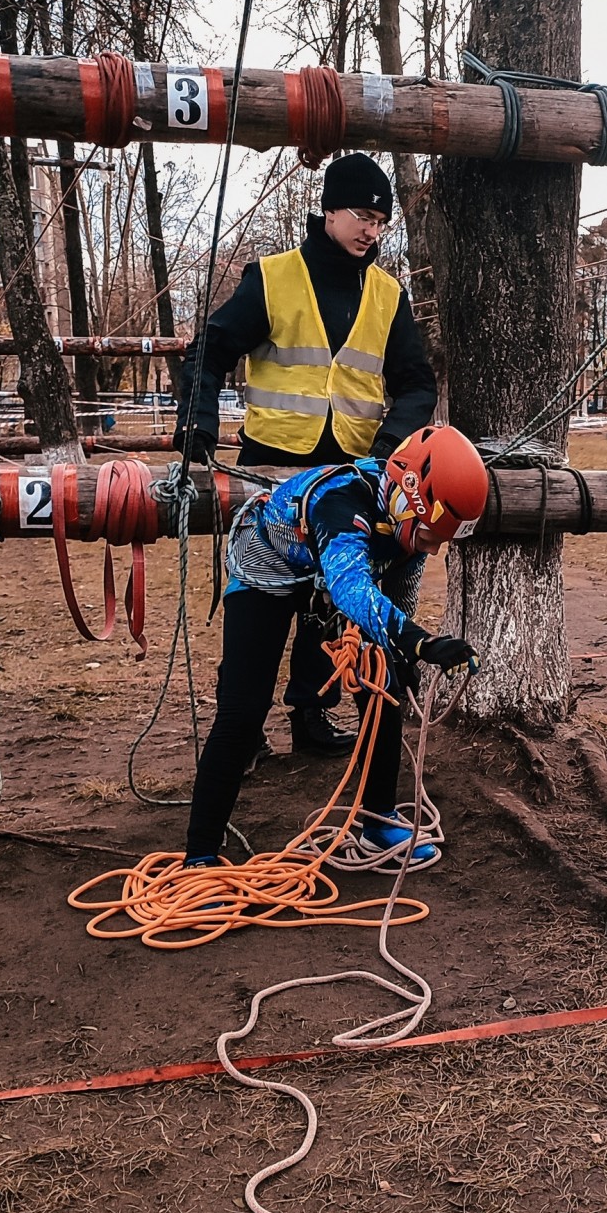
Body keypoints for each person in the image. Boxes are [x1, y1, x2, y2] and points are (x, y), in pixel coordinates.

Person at [174, 153, 438, 758]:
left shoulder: (389, 295)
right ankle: (242, 729)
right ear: (328, 210)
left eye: (381, 220)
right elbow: (210, 350)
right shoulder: (272, 277)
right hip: (270, 471)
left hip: (351, 473)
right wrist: (200, 420)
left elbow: (418, 383)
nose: (371, 230)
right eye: (362, 215)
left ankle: (311, 715)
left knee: (330, 600)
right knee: (267, 601)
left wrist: (383, 451)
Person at [183, 424, 488, 868]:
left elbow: (396, 588)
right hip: (268, 572)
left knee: (383, 684)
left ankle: (379, 821)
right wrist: (420, 642)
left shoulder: (411, 522)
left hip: (332, 580)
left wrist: (404, 652)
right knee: (243, 710)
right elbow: (352, 588)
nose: (434, 549)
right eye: (429, 537)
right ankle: (200, 855)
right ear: (406, 500)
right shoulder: (342, 503)